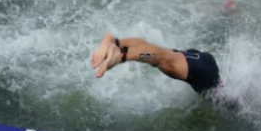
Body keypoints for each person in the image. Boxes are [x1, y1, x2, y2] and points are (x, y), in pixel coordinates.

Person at [90, 32, 221, 95]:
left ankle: (117, 44)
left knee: (161, 55)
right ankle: (121, 52)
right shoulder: (221, 95)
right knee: (159, 57)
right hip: (203, 70)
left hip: (196, 59)